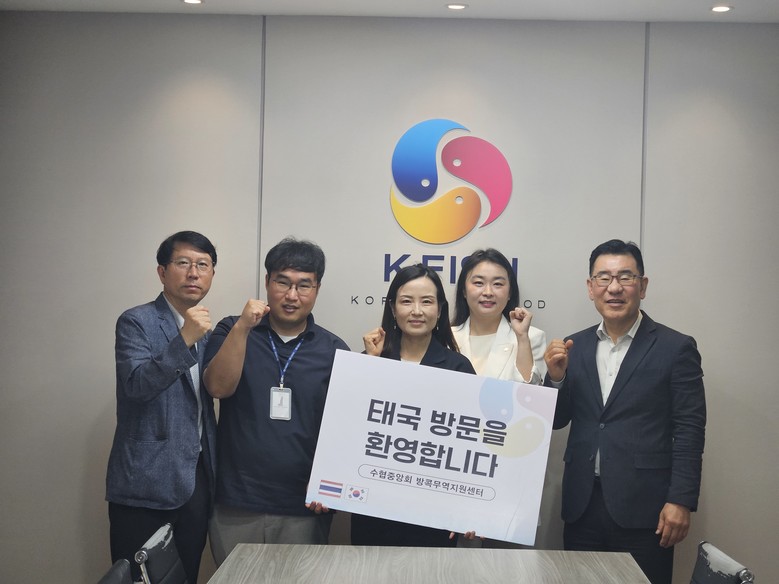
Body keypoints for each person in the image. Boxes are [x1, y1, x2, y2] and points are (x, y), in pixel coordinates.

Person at [544, 239, 706, 584]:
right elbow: (556, 421)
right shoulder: (574, 345)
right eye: (603, 278)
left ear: (642, 286)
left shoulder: (676, 348)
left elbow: (690, 430)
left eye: (625, 277)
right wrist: (556, 379)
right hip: (582, 507)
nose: (614, 287)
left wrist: (680, 500)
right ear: (591, 288)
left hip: (646, 510)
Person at [203, 237, 349, 565]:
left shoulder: (334, 350)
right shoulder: (232, 329)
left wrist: (329, 487)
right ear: (267, 282)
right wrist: (243, 327)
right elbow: (217, 387)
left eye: (304, 285)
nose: (292, 295)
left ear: (317, 288)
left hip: (303, 506)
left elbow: (342, 431)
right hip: (236, 503)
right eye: (283, 282)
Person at [106, 230, 218, 583]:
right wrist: (185, 338)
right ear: (162, 272)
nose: (193, 273)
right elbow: (136, 386)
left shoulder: (208, 331)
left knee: (185, 576)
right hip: (144, 485)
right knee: (139, 579)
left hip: (196, 483)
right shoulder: (136, 321)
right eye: (183, 263)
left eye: (203, 265)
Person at [350, 264, 476, 547]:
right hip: (374, 509)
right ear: (393, 309)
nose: (417, 311)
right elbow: (348, 429)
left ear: (440, 310)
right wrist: (369, 366)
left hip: (434, 515)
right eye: (406, 301)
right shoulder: (370, 360)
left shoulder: (458, 368)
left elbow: (468, 446)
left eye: (427, 302)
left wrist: (469, 508)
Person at [452, 248, 547, 384]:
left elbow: (531, 394)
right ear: (464, 291)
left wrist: (522, 338)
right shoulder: (446, 338)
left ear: (510, 293)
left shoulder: (531, 338)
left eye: (497, 284)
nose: (488, 292)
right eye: (479, 283)